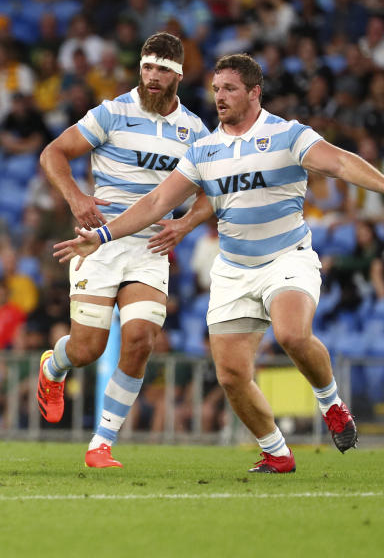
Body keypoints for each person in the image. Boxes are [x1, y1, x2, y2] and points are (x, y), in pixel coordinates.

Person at [55, 53, 365, 473]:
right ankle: (276, 451)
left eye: (230, 89)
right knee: (231, 376)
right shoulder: (204, 149)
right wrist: (104, 235)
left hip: (285, 258)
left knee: (291, 333)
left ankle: (331, 404)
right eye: (216, 89)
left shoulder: (288, 135)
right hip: (233, 269)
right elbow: (158, 201)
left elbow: (342, 162)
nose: (220, 97)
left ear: (255, 93)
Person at [35, 32, 213, 469]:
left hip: (149, 247)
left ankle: (102, 443)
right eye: (147, 67)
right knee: (87, 349)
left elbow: (215, 190)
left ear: (179, 75)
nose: (153, 77)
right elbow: (53, 154)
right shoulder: (112, 113)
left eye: (163, 70)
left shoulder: (195, 131)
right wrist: (77, 198)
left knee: (139, 339)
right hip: (98, 244)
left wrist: (186, 224)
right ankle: (52, 368)